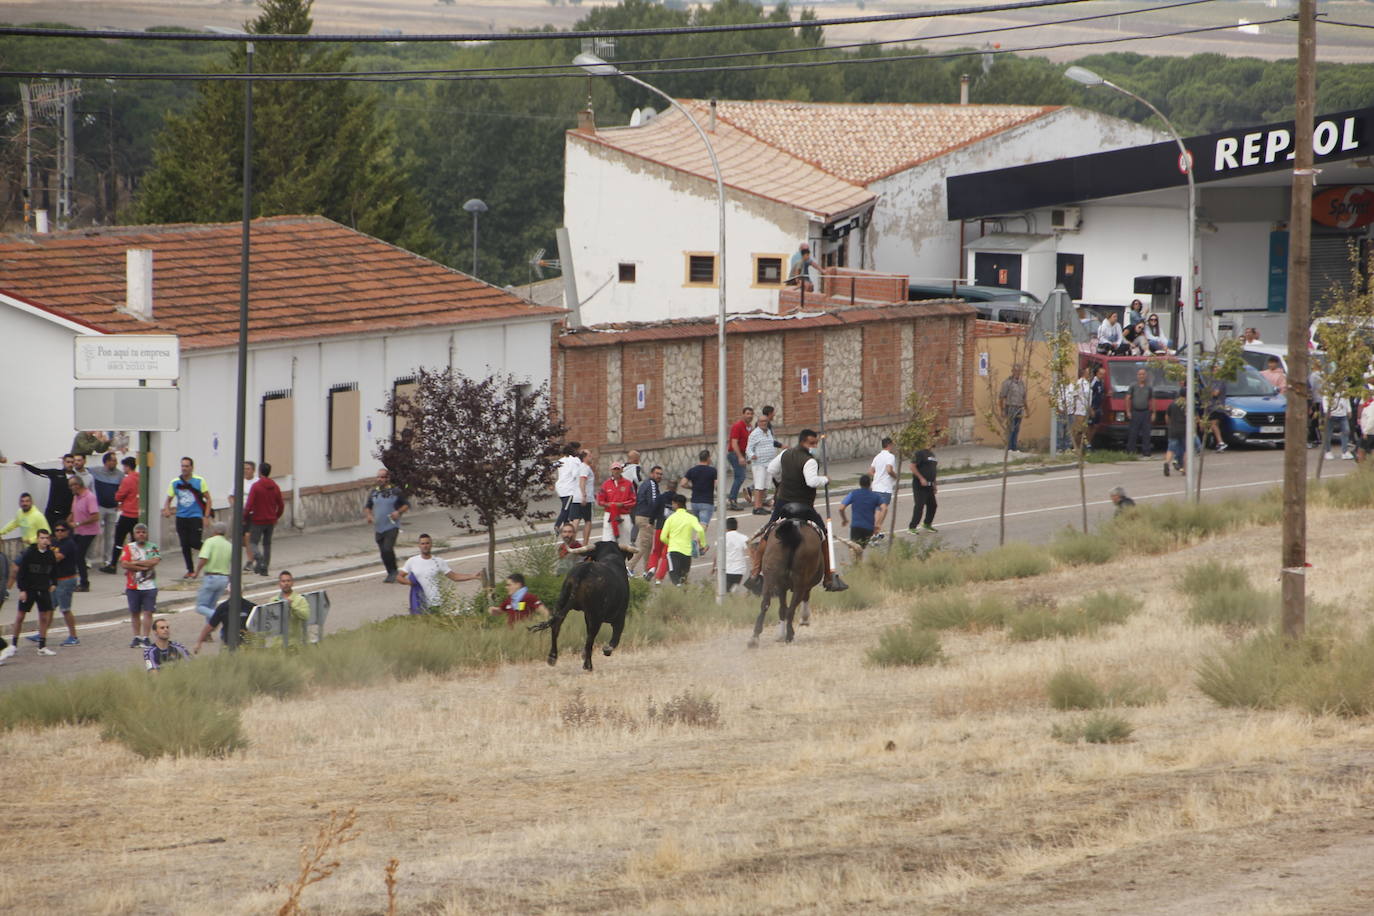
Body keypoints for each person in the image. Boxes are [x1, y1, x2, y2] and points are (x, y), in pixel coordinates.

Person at [750, 429, 848, 592]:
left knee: (768, 531)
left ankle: (755, 573)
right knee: (824, 535)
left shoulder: (785, 454)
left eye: (815, 443)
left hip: (783, 503)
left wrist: (784, 482)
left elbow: (772, 470)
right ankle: (829, 577)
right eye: (812, 443)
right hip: (803, 505)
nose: (814, 446)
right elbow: (811, 481)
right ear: (803, 442)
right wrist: (825, 479)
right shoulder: (810, 461)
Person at [397, 533, 481, 614]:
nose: (425, 546)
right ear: (419, 545)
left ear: (431, 545)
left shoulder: (439, 561)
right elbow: (399, 577)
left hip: (435, 602)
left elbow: (454, 576)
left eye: (427, 543)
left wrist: (473, 576)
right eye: (422, 543)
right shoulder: (412, 561)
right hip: (420, 601)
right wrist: (410, 582)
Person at [10, 529, 57, 656]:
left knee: (44, 617)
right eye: (42, 538)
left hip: (43, 589)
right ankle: (13, 645)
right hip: (29, 589)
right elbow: (21, 573)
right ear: (37, 539)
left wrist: (53, 583)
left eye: (46, 538)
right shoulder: (29, 553)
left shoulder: (50, 554)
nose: (44, 540)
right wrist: (22, 590)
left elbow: (54, 570)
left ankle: (42, 646)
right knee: (20, 616)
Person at [162, 456, 211, 578]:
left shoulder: (199, 481)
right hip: (181, 517)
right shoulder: (175, 482)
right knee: (184, 544)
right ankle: (190, 570)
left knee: (194, 542)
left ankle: (211, 551)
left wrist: (206, 516)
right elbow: (168, 499)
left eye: (186, 466)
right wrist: (167, 509)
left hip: (195, 516)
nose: (184, 468)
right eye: (182, 466)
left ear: (192, 467)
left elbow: (208, 499)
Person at [364, 467, 409, 583]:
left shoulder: (395, 491)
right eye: (378, 477)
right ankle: (390, 572)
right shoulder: (374, 492)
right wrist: (369, 516)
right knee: (383, 552)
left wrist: (398, 512)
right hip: (379, 527)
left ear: (388, 478)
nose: (380, 479)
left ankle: (394, 572)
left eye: (382, 477)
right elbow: (368, 507)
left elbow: (406, 505)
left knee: (388, 548)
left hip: (392, 526)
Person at [38, 524, 81, 646]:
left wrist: (45, 552)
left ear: (67, 531)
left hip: (66, 579)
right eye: (57, 530)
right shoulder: (56, 543)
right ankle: (42, 633)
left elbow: (58, 557)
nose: (59, 532)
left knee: (65, 609)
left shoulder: (69, 544)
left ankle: (73, 636)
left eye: (62, 530)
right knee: (49, 608)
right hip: (56, 580)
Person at [188, 522, 233, 633]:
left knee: (201, 606)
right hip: (224, 578)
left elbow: (204, 558)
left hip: (211, 577)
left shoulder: (209, 542)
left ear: (214, 531)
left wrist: (197, 572)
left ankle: (221, 617)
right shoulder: (229, 545)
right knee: (211, 606)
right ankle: (209, 632)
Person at [120, 523, 159, 648]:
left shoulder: (153, 547)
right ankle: (136, 637)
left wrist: (135, 562)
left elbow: (154, 561)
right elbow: (124, 564)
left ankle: (146, 637)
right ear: (134, 534)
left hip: (150, 585)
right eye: (138, 532)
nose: (141, 534)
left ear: (147, 534)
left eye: (143, 532)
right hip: (133, 585)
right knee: (135, 612)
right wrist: (141, 566)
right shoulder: (128, 547)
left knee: (148, 612)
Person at [243, 461, 284, 575]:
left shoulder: (256, 486)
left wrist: (244, 517)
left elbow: (249, 505)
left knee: (253, 542)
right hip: (270, 520)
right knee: (267, 544)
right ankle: (264, 567)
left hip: (258, 519)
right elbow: (280, 504)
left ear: (260, 471)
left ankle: (259, 559)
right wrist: (276, 516)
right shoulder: (275, 486)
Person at [19, 454, 75, 531]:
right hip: (52, 511)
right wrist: (24, 464)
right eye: (68, 462)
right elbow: (39, 471)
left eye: (72, 462)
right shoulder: (55, 473)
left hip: (66, 513)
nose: (70, 464)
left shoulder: (76, 478)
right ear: (63, 462)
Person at [660, 493, 706, 586]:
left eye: (673, 504)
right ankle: (684, 595)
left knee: (673, 575)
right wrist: (703, 544)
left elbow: (663, 537)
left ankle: (679, 589)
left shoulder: (670, 518)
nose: (672, 506)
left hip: (674, 551)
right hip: (686, 552)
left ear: (676, 504)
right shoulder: (691, 518)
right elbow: (700, 530)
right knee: (683, 577)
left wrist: (671, 543)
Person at [103, 456, 140, 573]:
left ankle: (113, 564)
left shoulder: (127, 480)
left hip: (127, 513)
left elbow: (119, 496)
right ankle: (137, 563)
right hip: (137, 514)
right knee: (136, 541)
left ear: (127, 467)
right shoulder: (141, 478)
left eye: (124, 466)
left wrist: (118, 496)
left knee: (119, 540)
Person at [90, 451, 124, 573]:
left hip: (112, 508)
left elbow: (123, 490)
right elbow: (83, 471)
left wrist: (120, 504)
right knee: (94, 533)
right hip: (100, 507)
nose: (115, 463)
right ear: (106, 462)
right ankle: (89, 558)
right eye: (113, 460)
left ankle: (107, 559)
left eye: (115, 461)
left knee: (110, 535)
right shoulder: (96, 471)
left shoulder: (119, 475)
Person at [66, 475, 100, 592]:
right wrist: (66, 524)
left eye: (72, 485)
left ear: (78, 485)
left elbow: (95, 516)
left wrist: (78, 523)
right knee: (72, 554)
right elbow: (73, 512)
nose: (70, 488)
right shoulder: (76, 497)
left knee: (79, 556)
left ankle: (84, 583)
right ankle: (72, 580)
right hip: (78, 531)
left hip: (89, 531)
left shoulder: (89, 497)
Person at [630, 465, 663, 575]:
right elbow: (653, 503)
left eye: (661, 474)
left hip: (641, 516)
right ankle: (629, 567)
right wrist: (655, 518)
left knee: (648, 545)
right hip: (646, 517)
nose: (659, 476)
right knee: (644, 545)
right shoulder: (652, 484)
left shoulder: (646, 483)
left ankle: (646, 569)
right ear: (651, 474)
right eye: (657, 473)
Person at [747, 411, 780, 515]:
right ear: (758, 423)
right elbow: (749, 448)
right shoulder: (754, 434)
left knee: (765, 486)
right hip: (759, 464)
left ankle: (760, 505)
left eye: (765, 421)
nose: (763, 423)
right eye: (761, 421)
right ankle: (757, 507)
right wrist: (752, 455)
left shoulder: (769, 432)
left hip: (768, 463)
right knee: (759, 486)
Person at [595, 462, 637, 546]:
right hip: (610, 515)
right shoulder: (606, 484)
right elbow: (600, 500)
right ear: (611, 470)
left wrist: (622, 504)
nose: (616, 471)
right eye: (614, 469)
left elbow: (633, 500)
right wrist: (608, 505)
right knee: (607, 541)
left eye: (618, 469)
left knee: (625, 543)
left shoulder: (628, 483)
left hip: (624, 515)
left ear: (621, 470)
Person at [840, 474, 884, 548]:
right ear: (870, 484)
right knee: (860, 549)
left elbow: (841, 508)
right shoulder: (875, 496)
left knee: (855, 550)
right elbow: (884, 508)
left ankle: (857, 559)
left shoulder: (853, 494)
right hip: (868, 528)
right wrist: (878, 523)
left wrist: (845, 519)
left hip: (856, 527)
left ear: (860, 484)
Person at [868, 437, 898, 538]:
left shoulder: (877, 457)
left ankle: (876, 531)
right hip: (885, 487)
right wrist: (896, 476)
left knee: (878, 509)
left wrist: (877, 477)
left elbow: (871, 471)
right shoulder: (890, 456)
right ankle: (875, 531)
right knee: (884, 509)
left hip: (875, 486)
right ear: (889, 445)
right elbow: (889, 470)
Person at [680, 450, 718, 530]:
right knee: (703, 525)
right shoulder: (712, 471)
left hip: (695, 502)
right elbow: (717, 485)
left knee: (698, 525)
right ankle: (696, 541)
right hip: (707, 501)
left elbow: (683, 483)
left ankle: (701, 542)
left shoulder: (692, 470)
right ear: (708, 458)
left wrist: (691, 487)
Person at [727, 406, 755, 510]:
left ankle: (733, 499)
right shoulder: (737, 426)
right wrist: (740, 457)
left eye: (751, 414)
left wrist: (746, 456)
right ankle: (732, 500)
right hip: (734, 454)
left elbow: (748, 444)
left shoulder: (750, 428)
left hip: (742, 454)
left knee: (739, 477)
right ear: (743, 414)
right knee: (740, 477)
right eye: (747, 413)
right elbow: (734, 443)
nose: (750, 416)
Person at [553, 443, 583, 533]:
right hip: (569, 488)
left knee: (567, 508)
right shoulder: (574, 461)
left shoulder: (561, 460)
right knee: (566, 509)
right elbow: (575, 474)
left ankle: (566, 526)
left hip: (560, 487)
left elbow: (554, 467)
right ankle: (557, 525)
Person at [714, 517, 750, 592]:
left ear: (726, 527)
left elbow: (717, 554)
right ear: (737, 526)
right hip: (739, 570)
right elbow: (750, 553)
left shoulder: (721, 538)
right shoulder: (743, 538)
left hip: (725, 570)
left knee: (723, 591)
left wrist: (714, 567)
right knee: (731, 590)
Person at [908, 446, 939, 533]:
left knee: (933, 505)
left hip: (929, 485)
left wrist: (935, 484)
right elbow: (912, 466)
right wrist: (921, 478)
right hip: (919, 485)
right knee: (919, 505)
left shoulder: (932, 454)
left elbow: (933, 470)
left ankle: (927, 524)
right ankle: (912, 527)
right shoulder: (919, 453)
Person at [1125, 368, 1154, 458]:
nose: (1141, 376)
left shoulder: (1149, 387)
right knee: (1133, 432)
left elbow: (1152, 400)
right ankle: (1131, 451)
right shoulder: (1133, 386)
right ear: (1137, 376)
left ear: (1146, 376)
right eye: (1140, 374)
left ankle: (1146, 451)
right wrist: (1128, 411)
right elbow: (1127, 398)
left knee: (1146, 433)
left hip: (1145, 412)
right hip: (1135, 412)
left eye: (1143, 374)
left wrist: (1154, 413)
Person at [999, 365, 1027, 454]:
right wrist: (1002, 410)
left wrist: (1027, 409)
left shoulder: (1021, 383)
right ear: (1012, 371)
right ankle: (1009, 447)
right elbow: (1001, 397)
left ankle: (1014, 447)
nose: (1018, 373)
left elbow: (1024, 398)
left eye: (1019, 371)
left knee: (1017, 428)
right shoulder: (1007, 383)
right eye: (1016, 371)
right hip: (1010, 407)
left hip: (1019, 407)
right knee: (1011, 428)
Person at [1323, 390, 1353, 460]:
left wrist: (1349, 410)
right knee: (1328, 433)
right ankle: (1328, 451)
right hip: (1332, 413)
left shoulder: (1344, 388)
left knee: (1346, 430)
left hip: (1343, 414)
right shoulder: (1329, 388)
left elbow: (1347, 399)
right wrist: (1326, 410)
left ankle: (1345, 452)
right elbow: (1325, 399)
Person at [574, 451, 596, 544]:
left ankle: (571, 543)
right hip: (585, 498)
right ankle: (585, 543)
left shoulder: (579, 467)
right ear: (584, 458)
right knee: (588, 521)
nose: (592, 457)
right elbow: (582, 480)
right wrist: (584, 495)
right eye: (590, 456)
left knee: (576, 520)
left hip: (576, 497)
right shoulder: (585, 468)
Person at [1205, 378, 1230, 453]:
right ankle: (1218, 443)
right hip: (1214, 407)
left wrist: (1207, 391)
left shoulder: (1219, 381)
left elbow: (1215, 393)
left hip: (1215, 407)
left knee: (1213, 424)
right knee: (1215, 425)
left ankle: (1220, 442)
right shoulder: (1212, 381)